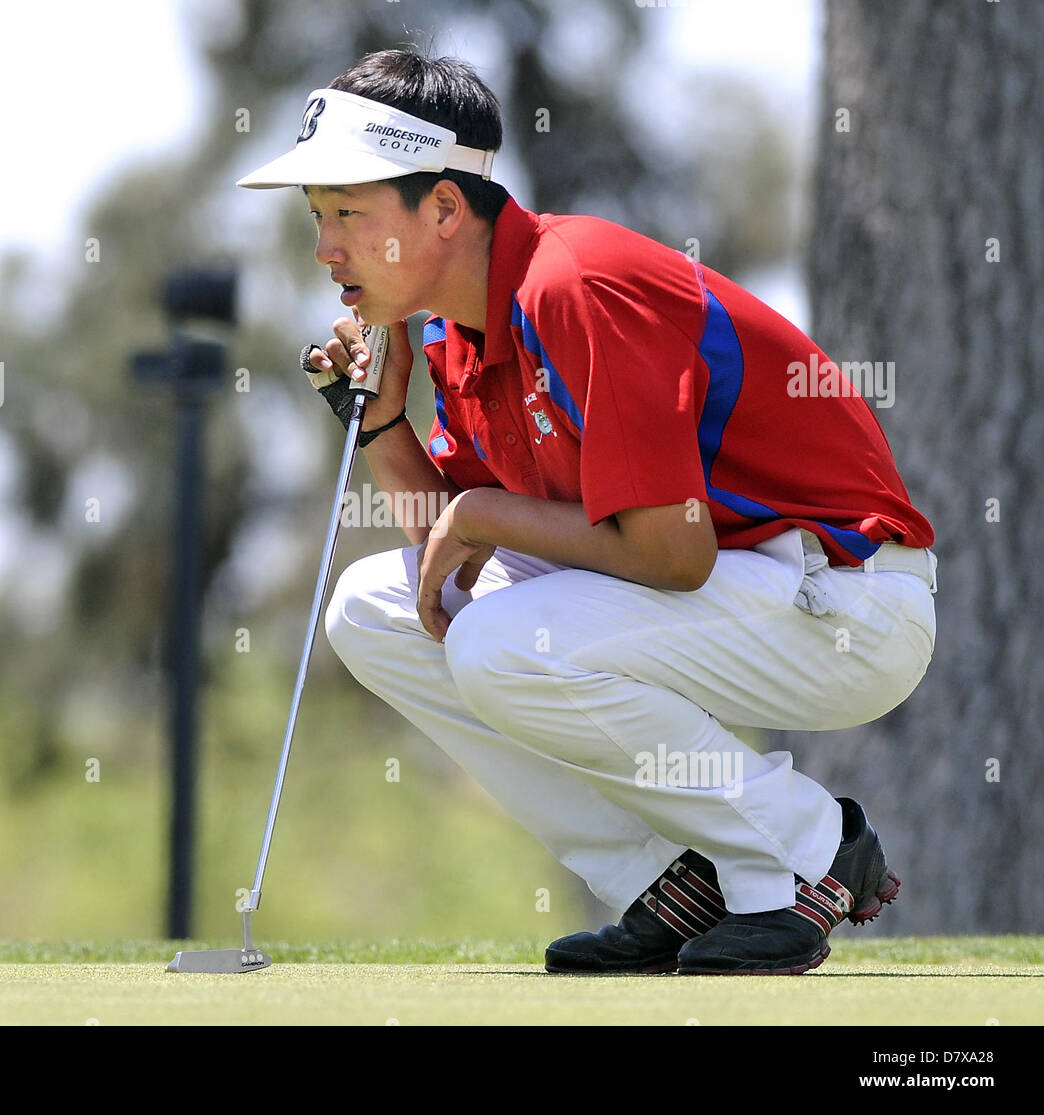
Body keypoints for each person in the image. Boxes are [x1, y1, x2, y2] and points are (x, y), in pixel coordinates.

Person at [236, 47, 937, 974]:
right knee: (375, 610)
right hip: (729, 592)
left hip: (845, 599)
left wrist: (483, 512)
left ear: (445, 208)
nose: (326, 248)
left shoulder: (575, 283)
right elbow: (453, 563)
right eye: (318, 216)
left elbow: (672, 553)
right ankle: (679, 880)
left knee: (501, 644)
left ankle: (805, 850)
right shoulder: (451, 333)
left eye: (350, 214)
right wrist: (376, 418)